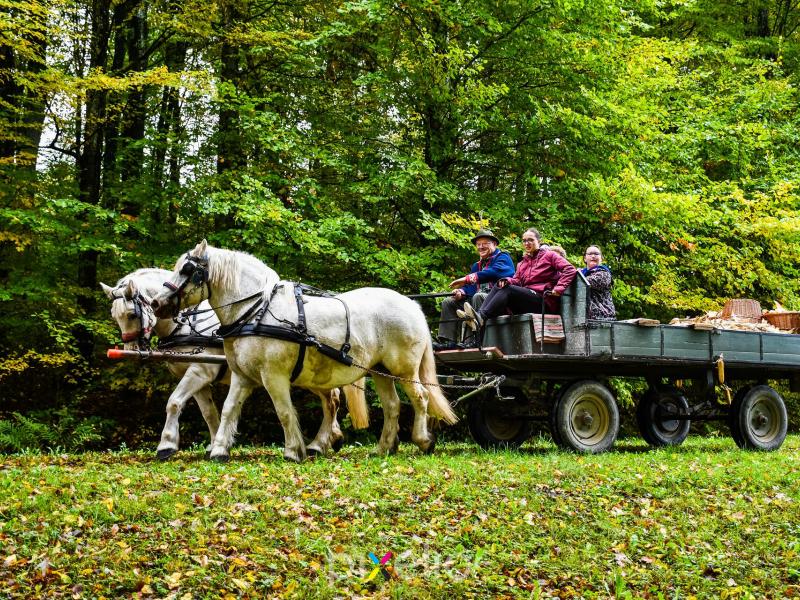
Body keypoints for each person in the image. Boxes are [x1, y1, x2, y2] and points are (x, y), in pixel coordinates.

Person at [458, 227, 577, 334]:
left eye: (530, 240)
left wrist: (559, 288)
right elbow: (517, 281)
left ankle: (481, 318)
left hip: (542, 300)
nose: (527, 243)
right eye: (524, 241)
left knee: (508, 289)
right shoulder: (522, 263)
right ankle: (478, 316)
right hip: (526, 300)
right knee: (501, 284)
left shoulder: (550, 256)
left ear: (538, 242)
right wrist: (508, 280)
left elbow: (569, 269)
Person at [434, 229, 515, 350]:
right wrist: (461, 292)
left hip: (498, 303)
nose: (481, 247)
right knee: (449, 302)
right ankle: (447, 341)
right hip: (477, 301)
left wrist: (467, 278)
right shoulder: (476, 266)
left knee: (478, 296)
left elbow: (493, 273)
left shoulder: (503, 257)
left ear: (495, 244)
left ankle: (474, 341)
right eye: (478, 244)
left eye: (485, 243)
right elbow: (470, 288)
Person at [582, 245, 616, 320]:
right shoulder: (581, 273)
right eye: (590, 254)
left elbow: (585, 282)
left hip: (602, 318)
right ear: (585, 258)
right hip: (582, 318)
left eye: (596, 254)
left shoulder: (604, 273)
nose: (593, 256)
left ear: (601, 258)